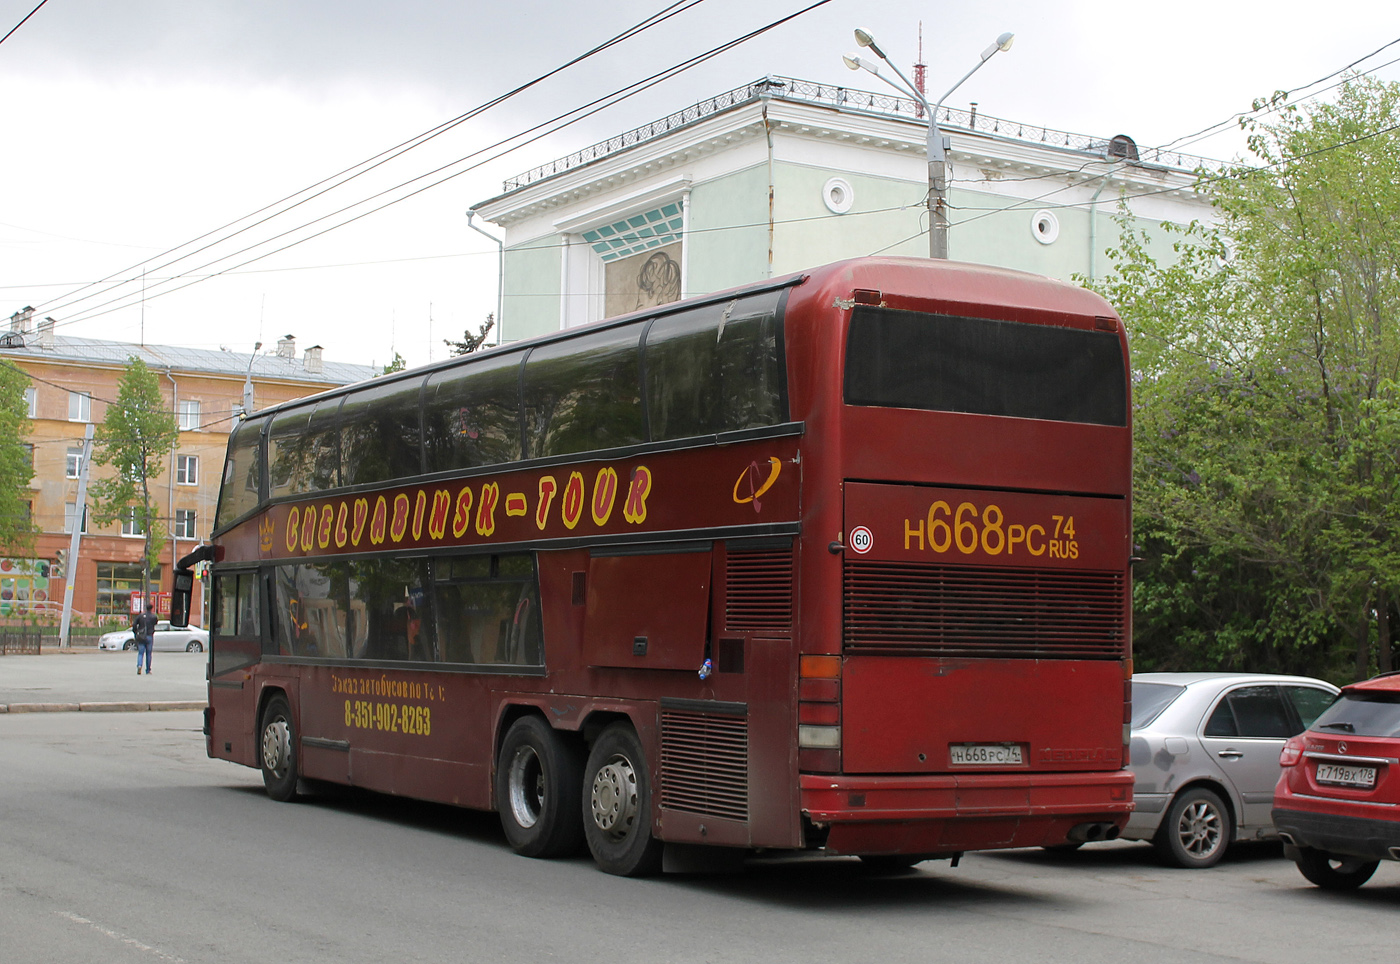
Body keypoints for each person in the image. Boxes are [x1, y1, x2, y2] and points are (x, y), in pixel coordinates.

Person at [132, 604, 158, 675]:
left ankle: (139, 665)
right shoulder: (154, 616)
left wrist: (136, 631)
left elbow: (134, 624)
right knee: (149, 653)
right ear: (152, 608)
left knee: (140, 653)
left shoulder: (140, 616)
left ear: (146, 608)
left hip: (141, 636)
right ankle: (148, 670)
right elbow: (155, 623)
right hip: (149, 635)